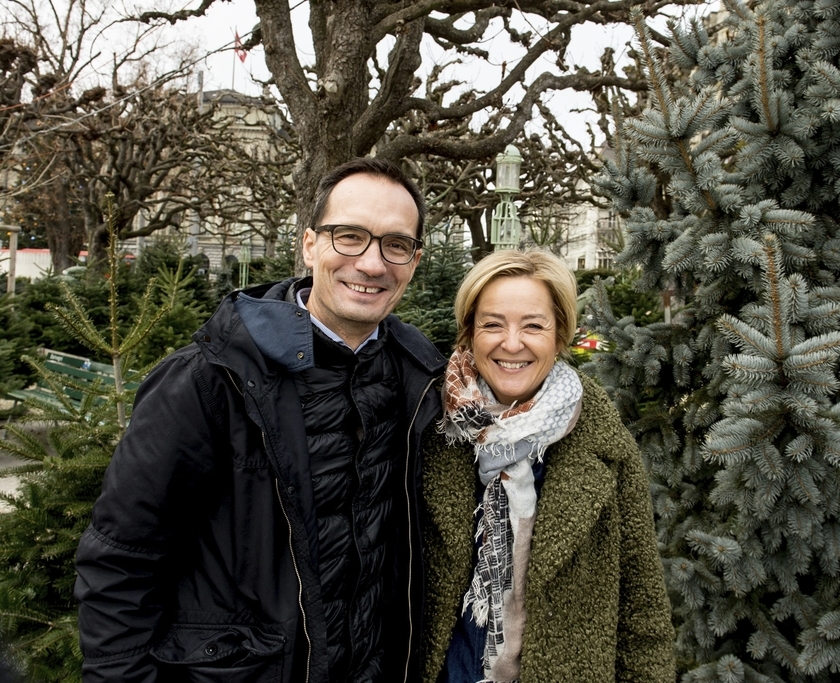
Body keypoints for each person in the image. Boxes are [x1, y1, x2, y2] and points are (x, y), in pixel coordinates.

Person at [74, 157, 447, 682]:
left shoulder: (422, 380)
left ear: (414, 259)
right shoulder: (211, 378)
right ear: (310, 244)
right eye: (350, 237)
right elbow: (122, 562)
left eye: (396, 244)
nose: (371, 263)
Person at [419, 250, 675, 682]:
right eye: (492, 324)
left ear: (560, 336)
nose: (512, 343)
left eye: (533, 325)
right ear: (469, 334)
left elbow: (643, 612)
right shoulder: (427, 431)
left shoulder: (605, 445)